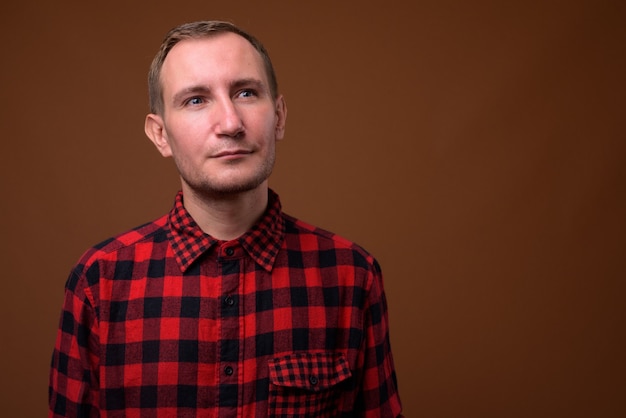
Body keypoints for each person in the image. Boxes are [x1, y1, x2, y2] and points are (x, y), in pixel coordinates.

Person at [49, 20, 403, 417]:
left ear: (280, 116)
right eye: (196, 100)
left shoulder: (352, 276)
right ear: (160, 135)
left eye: (246, 92)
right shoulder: (99, 283)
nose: (231, 124)